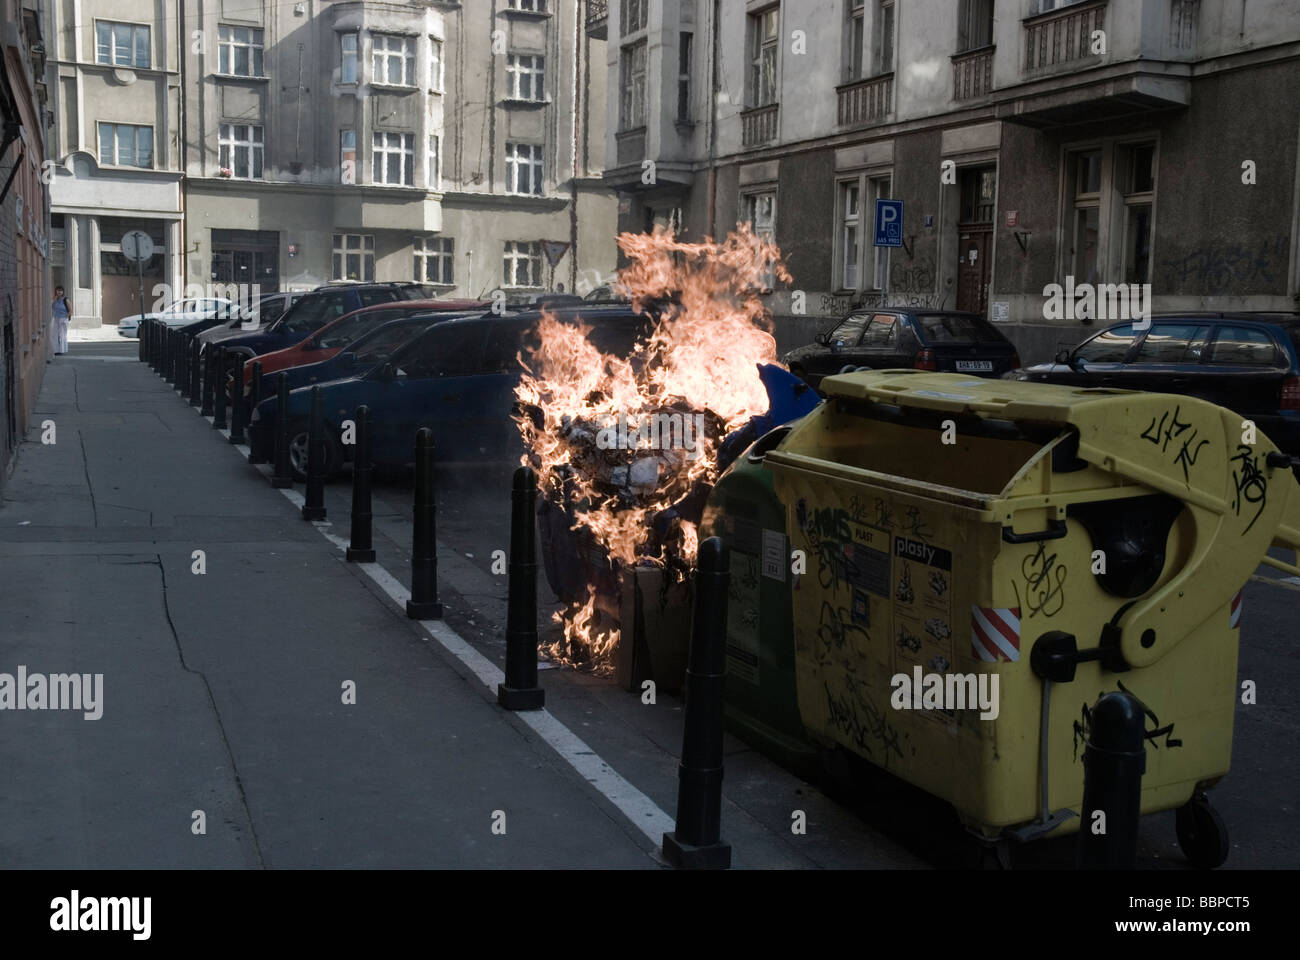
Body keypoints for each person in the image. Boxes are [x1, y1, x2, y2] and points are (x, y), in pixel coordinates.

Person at [51, 286, 70, 355]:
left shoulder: (65, 300)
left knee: (62, 335)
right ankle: (56, 350)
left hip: (63, 319)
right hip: (55, 318)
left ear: (63, 292)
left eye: (61, 291)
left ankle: (62, 350)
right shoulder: (54, 299)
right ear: (56, 291)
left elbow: (70, 310)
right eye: (58, 290)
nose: (59, 292)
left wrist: (65, 318)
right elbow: (51, 307)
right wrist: (53, 300)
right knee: (54, 335)